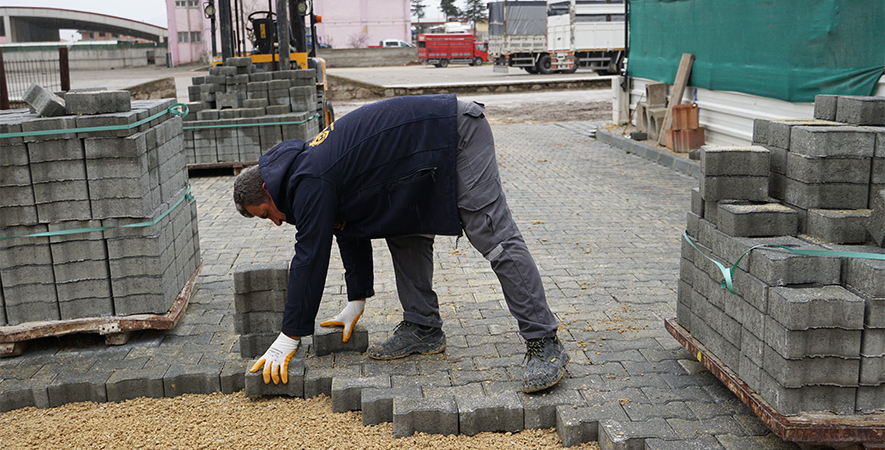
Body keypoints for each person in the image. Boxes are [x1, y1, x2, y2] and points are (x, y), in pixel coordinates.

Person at [233, 94, 568, 393]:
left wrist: (289, 336)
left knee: (493, 236)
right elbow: (346, 226)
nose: (276, 221)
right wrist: (356, 300)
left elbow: (310, 256)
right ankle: (423, 327)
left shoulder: (309, 178)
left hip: (455, 133)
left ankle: (544, 341)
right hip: (417, 156)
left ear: (266, 189)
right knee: (404, 230)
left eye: (266, 214)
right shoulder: (304, 171)